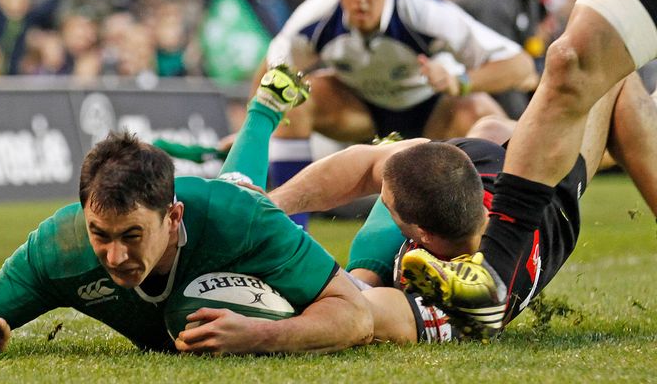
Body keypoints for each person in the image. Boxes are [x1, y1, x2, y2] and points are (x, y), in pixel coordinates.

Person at [0, 65, 374, 357]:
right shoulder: (60, 246)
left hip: (231, 209)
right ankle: (264, 108)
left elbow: (356, 316)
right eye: (100, 234)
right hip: (219, 202)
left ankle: (390, 166)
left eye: (131, 236)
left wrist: (261, 335)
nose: (114, 256)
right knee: (236, 185)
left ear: (173, 217)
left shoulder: (239, 221)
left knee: (378, 301)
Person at [269, 69, 657, 342]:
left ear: (421, 235)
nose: (381, 204)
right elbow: (365, 164)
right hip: (515, 167)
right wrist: (270, 204)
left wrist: (255, 332)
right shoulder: (474, 164)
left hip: (556, 199)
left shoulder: (459, 304)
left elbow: (359, 318)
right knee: (492, 125)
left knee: (614, 77)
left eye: (387, 206)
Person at [397, 0, 657, 340]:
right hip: (458, 136)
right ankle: (493, 282)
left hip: (478, 145)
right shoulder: (492, 0)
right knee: (572, 62)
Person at [255, 0, 538, 228]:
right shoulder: (316, 16)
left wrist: (461, 81)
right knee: (295, 96)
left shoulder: (427, 12)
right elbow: (273, 67)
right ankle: (288, 230)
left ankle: (498, 229)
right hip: (359, 113)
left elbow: (520, 66)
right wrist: (253, 130)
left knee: (484, 116)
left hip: (432, 113)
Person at [456, 0, 564, 118]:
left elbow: (537, 57)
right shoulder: (493, 2)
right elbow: (502, 79)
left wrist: (535, 74)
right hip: (468, 101)